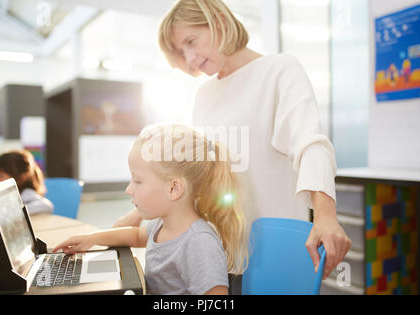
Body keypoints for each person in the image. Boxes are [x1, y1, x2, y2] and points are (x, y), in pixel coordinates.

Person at [113, 0, 351, 280]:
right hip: (216, 250)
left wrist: (325, 214)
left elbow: (310, 145)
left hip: (273, 246)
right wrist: (139, 215)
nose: (189, 58)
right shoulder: (204, 95)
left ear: (219, 21)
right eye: (181, 51)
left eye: (191, 41)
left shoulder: (279, 70)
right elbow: (194, 172)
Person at [52, 124, 249, 295]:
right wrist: (91, 239)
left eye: (138, 180)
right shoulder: (162, 225)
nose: (128, 189)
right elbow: (135, 235)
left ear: (173, 189)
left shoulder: (199, 243)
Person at [0, 150, 53, 215]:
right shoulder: (0, 191)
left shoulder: (26, 194)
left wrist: (9, 211)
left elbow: (47, 205)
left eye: (1, 176)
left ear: (20, 177)